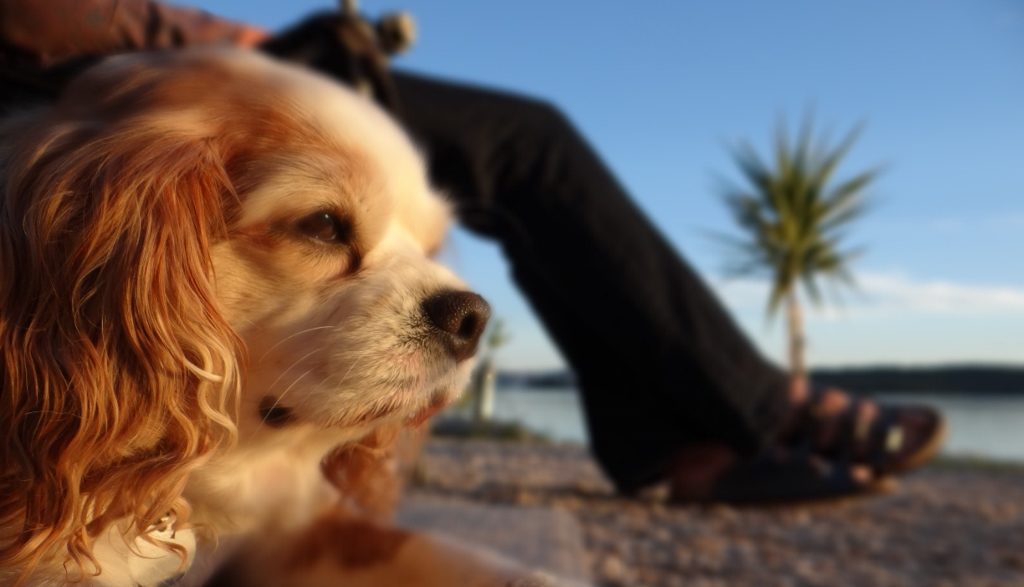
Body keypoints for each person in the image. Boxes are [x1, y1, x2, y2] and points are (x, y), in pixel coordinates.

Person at [0, 0, 943, 503]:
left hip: (145, 60)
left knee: (505, 165)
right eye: (329, 233)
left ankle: (680, 437)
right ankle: (749, 412)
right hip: (96, 71)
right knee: (528, 141)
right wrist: (222, 41)